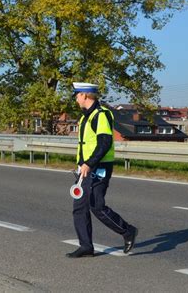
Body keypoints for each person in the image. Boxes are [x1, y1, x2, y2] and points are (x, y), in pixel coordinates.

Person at [66, 82, 138, 258]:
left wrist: (89, 163)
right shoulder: (85, 117)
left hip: (98, 167)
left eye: (77, 95)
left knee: (97, 206)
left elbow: (105, 142)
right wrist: (83, 165)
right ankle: (86, 246)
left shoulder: (101, 115)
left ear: (85, 95)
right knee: (80, 207)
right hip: (85, 168)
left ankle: (127, 231)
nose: (76, 98)